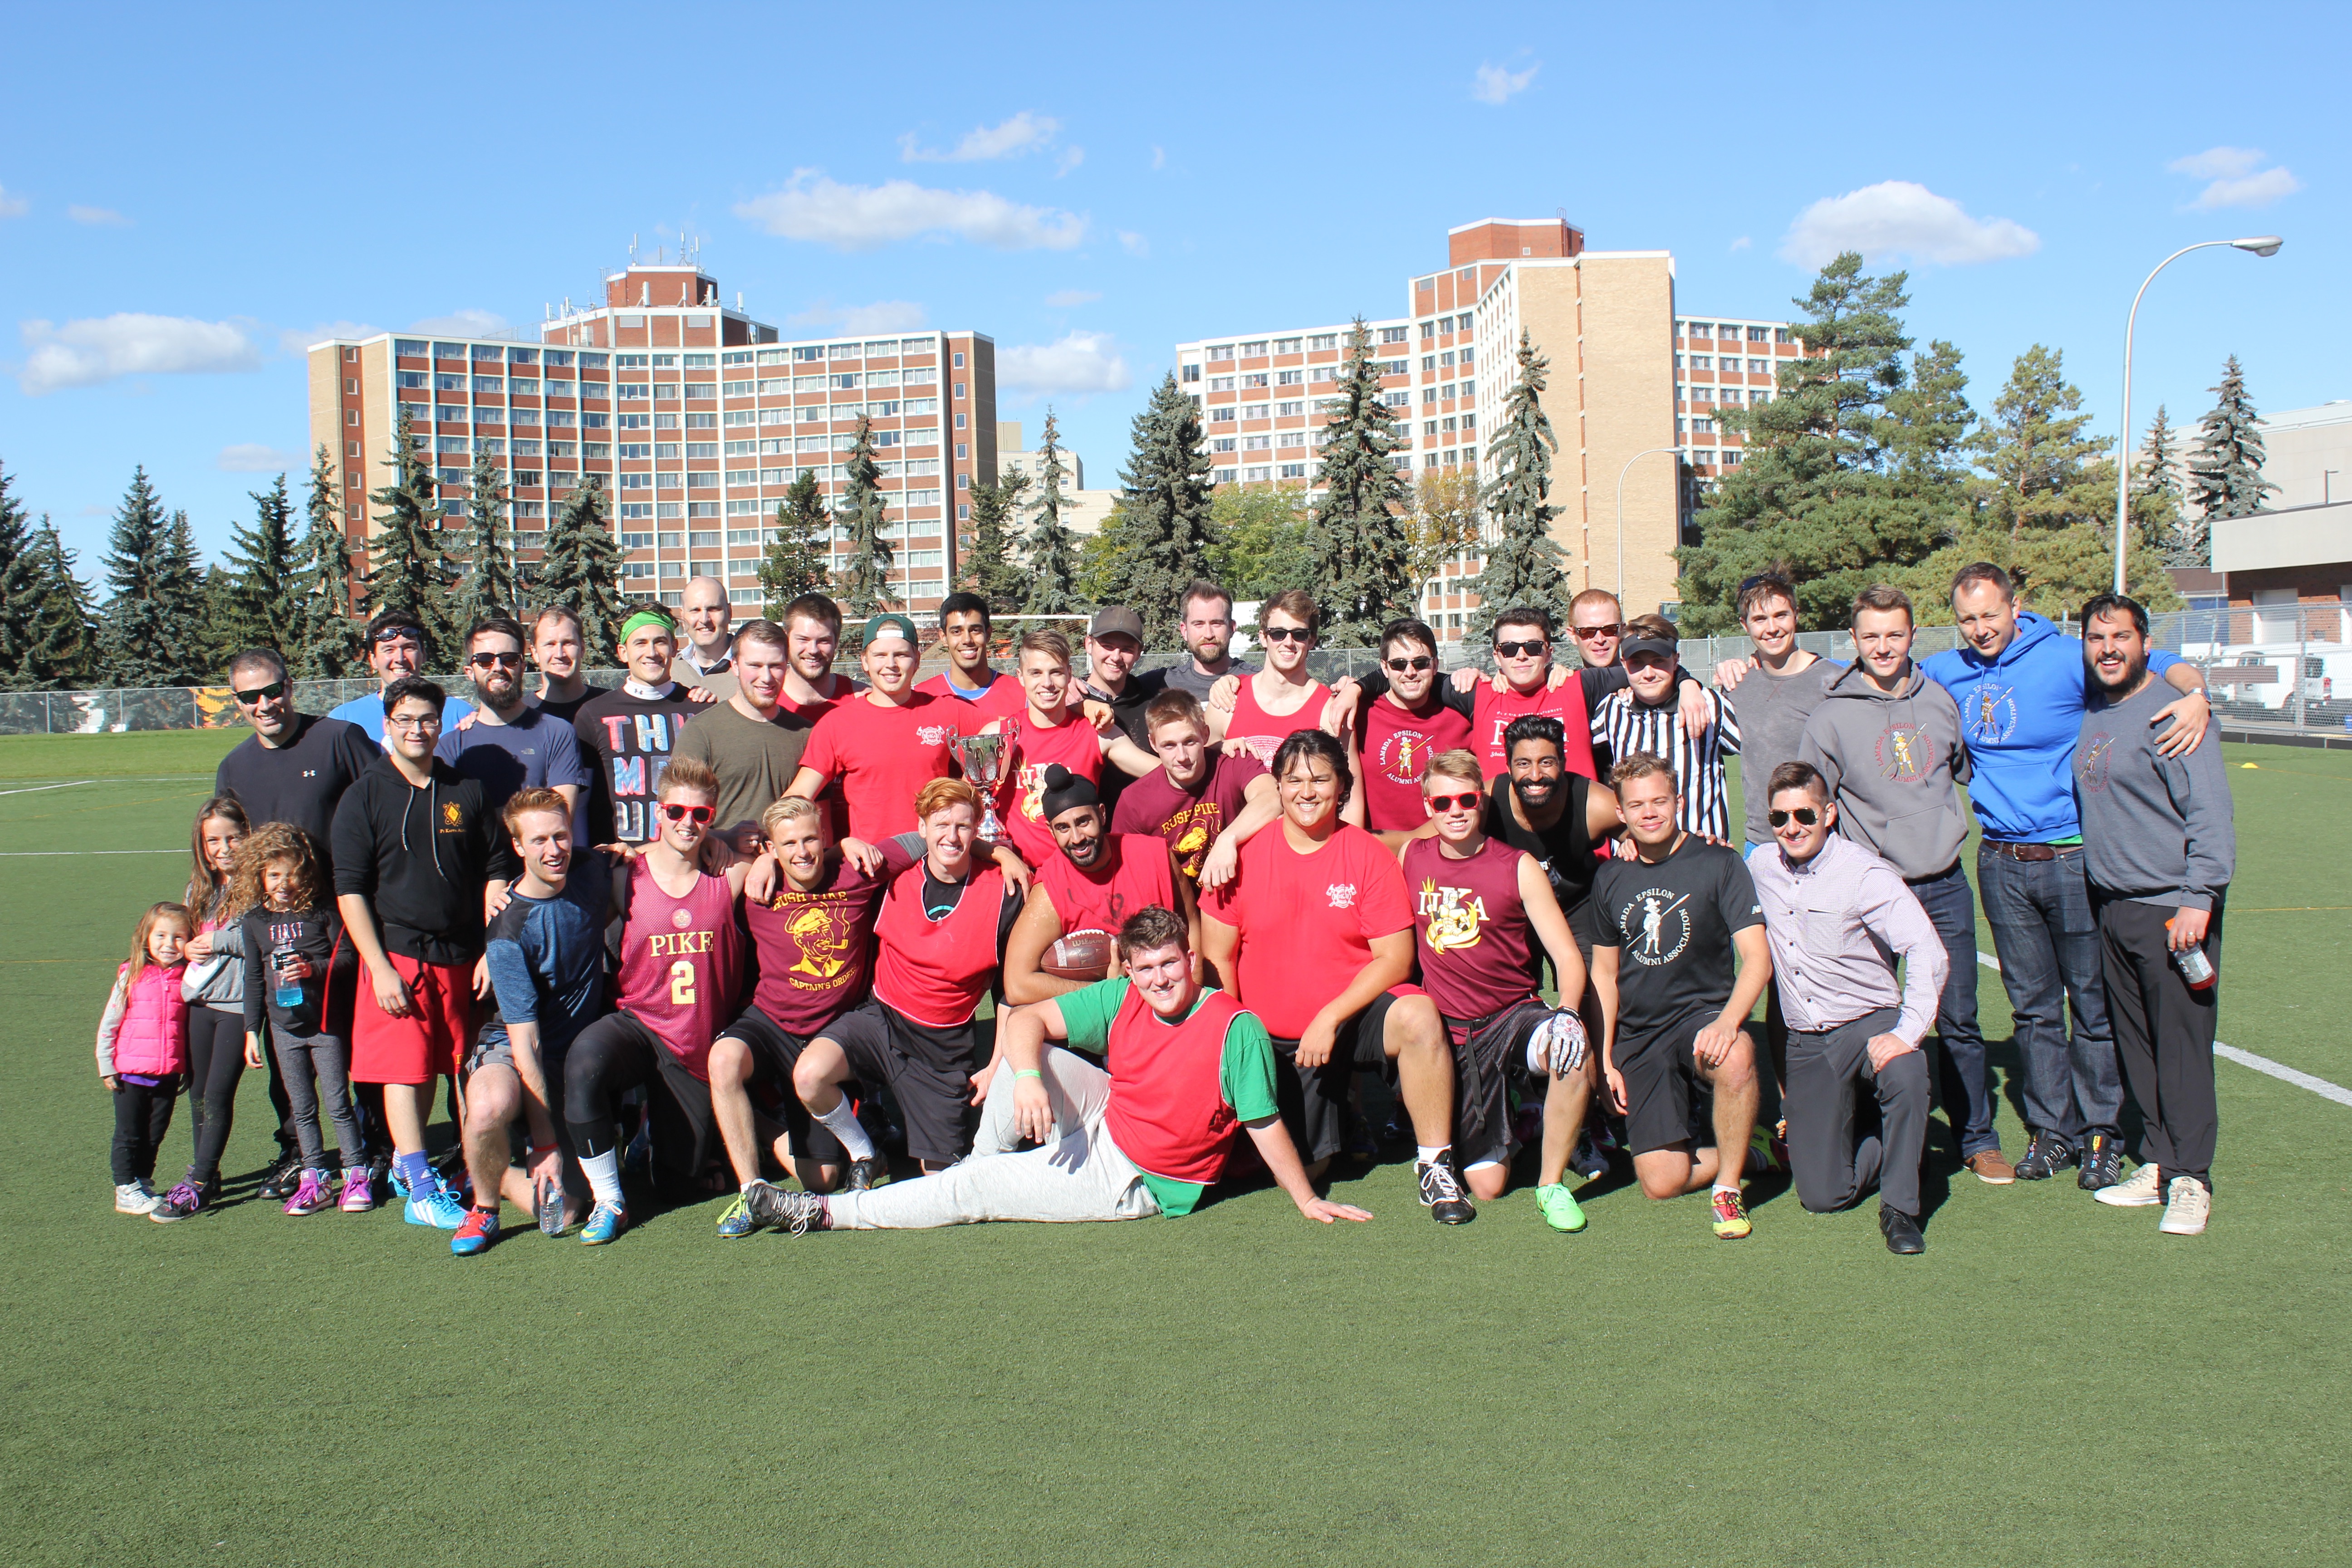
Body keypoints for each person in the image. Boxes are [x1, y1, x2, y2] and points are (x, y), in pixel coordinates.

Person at [746, 906, 1372, 1235]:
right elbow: (1021, 1017)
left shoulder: (1235, 1029)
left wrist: (1307, 1199)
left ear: (1191, 959)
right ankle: (978, 1169)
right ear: (1128, 969)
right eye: (1145, 968)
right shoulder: (1126, 996)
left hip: (1137, 1176)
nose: (1160, 980)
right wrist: (1023, 1078)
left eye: (1171, 965)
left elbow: (1263, 1124)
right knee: (1033, 1056)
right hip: (1110, 1113)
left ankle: (823, 1214)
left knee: (975, 1192)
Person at [1928, 561, 2211, 1190]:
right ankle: (2052, 1132)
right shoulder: (1947, 670)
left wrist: (2197, 692)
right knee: (2031, 1011)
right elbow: (1872, 675)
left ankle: (2102, 1134)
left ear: (2016, 606)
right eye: (1968, 619)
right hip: (2001, 862)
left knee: (2093, 1006)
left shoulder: (2063, 656)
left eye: (1991, 616)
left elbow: (2155, 658)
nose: (1980, 630)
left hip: (2074, 858)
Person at [1198, 730, 1473, 1224]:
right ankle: (1345, 1113)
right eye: (1294, 780)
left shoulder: (1366, 853)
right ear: (1277, 788)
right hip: (1276, 1039)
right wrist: (1238, 1041)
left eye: (1321, 779)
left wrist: (1330, 1015)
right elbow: (1218, 960)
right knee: (1305, 1167)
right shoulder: (1240, 857)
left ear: (1341, 786)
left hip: (1346, 1020)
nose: (1307, 791)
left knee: (1418, 1014)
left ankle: (1436, 1163)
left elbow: (1395, 959)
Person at [1798, 585, 2009, 1184]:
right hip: (1874, 894)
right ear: (1855, 640)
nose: (1884, 646)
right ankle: (1876, 1136)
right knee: (1872, 1019)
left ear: (1912, 636)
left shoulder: (1941, 700)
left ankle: (1977, 1137)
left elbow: (1961, 772)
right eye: (1871, 636)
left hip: (1943, 885)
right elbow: (1814, 805)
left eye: (1895, 634)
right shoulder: (1832, 715)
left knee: (1960, 1015)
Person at [332, 676, 519, 1231]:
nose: (417, 730)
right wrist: (379, 967)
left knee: (461, 1070)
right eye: (406, 720)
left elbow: (497, 871)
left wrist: (490, 936)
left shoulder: (467, 790)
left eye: (428, 720)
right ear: (387, 726)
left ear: (443, 725)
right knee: (405, 1072)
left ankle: (467, 1169)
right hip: (398, 957)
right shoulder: (364, 794)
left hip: (462, 956)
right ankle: (417, 1185)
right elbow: (350, 889)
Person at [2075, 594, 2235, 1237]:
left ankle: (2193, 1177)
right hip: (2114, 909)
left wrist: (2200, 896)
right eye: (2096, 637)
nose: (2108, 648)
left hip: (2173, 909)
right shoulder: (2095, 710)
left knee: (2183, 1049)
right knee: (2137, 1047)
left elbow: (2211, 814)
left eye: (2120, 637)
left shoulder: (2174, 712)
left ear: (2145, 643)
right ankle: (2162, 1164)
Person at [1747, 763, 1943, 1255]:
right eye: (1779, 818)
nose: (1792, 827)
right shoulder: (1761, 866)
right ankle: (1897, 1138)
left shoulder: (1863, 873)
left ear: (1829, 813)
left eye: (1805, 814)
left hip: (1868, 1022)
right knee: (1822, 1196)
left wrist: (1907, 1031)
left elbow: (1927, 950)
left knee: (1906, 1070)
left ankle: (1900, 1208)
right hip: (1808, 1042)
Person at [1400, 750, 1595, 1230]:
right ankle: (1525, 1113)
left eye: (1467, 799)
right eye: (1443, 803)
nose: (1456, 811)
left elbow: (1568, 957)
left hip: (1513, 1016)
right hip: (1454, 1036)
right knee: (1488, 1186)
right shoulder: (1412, 856)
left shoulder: (1519, 865)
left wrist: (1568, 1010)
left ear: (1482, 802)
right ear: (1428, 807)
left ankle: (1551, 1184)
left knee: (1573, 1050)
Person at [562, 758, 750, 1245]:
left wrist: (728, 842)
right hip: (639, 1026)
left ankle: (648, 1133)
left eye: (701, 815)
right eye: (675, 811)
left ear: (713, 816)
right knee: (584, 1061)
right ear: (657, 814)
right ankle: (609, 1198)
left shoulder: (729, 876)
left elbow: (771, 850)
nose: (687, 823)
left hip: (694, 1048)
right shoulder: (625, 875)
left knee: (678, 1187)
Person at [794, 779, 1022, 1176]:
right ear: (921, 828)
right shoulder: (891, 876)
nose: (951, 836)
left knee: (941, 1180)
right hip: (879, 1020)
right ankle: (867, 1153)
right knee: (810, 1076)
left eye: (963, 826)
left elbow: (1010, 993)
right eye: (940, 824)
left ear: (977, 828)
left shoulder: (1003, 892)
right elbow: (813, 866)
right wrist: (836, 845)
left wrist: (996, 1063)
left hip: (942, 1048)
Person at [1589, 753, 1771, 1240]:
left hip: (1701, 1017)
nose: (1650, 813)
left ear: (1680, 803)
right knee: (1662, 1182)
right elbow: (1604, 975)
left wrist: (1729, 1022)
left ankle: (1728, 1187)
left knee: (1736, 1056)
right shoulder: (1610, 876)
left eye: (1660, 802)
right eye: (1637, 806)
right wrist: (1605, 1058)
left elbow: (1757, 958)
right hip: (1641, 1034)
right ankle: (1753, 1150)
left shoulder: (1720, 862)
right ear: (1621, 815)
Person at [709, 796, 908, 1235]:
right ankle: (753, 1192)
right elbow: (688, 849)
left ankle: (838, 1141)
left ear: (825, 838)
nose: (801, 852)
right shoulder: (756, 882)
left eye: (811, 840)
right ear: (772, 850)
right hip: (771, 1021)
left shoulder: (856, 870)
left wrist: (1001, 852)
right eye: (788, 844)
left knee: (822, 1179)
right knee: (722, 1061)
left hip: (833, 1030)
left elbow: (928, 841)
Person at [1701, 574, 1841, 1097]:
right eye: (1759, 619)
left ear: (1796, 616)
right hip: (1765, 848)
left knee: (1828, 970)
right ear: (1745, 627)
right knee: (1780, 979)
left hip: (1823, 845)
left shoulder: (1831, 678)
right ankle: (1789, 1101)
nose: (1772, 627)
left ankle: (1840, 1088)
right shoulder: (1739, 681)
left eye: (1780, 615)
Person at [455, 788, 609, 1253]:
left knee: (565, 1211)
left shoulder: (593, 868)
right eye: (538, 840)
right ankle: (486, 1200)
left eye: (560, 836)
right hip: (514, 1045)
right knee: (487, 1110)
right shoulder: (507, 930)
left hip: (573, 1053)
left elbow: (651, 856)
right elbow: (528, 1046)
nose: (553, 850)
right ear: (518, 846)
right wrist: (545, 1145)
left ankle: (500, 1164)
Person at [1335, 601, 1706, 784]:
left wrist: (1688, 682)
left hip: (1579, 850)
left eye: (1532, 646)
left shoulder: (1579, 684)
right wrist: (1356, 688)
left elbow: (1644, 668)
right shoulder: (1475, 693)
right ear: (1497, 655)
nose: (1522, 655)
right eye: (1511, 649)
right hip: (1505, 850)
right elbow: (1411, 673)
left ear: (1550, 650)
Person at [237, 823, 368, 1219]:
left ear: (306, 872)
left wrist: (312, 969)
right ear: (260, 875)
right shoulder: (255, 921)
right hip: (282, 1028)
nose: (283, 882)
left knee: (338, 1103)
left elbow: (347, 958)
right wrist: (249, 1031)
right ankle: (315, 1177)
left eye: (291, 873)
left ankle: (356, 1173)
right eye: (274, 874)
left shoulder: (321, 912)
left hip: (325, 1025)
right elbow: (254, 978)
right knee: (302, 1108)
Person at [1004, 764, 1192, 1004]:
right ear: (1051, 831)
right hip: (1097, 1011)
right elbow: (1017, 984)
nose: (1077, 838)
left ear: (1102, 815)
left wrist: (1191, 1002)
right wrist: (1106, 991)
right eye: (1063, 828)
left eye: (1084, 822)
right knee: (1020, 1021)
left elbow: (1191, 928)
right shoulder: (1051, 887)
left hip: (1165, 991)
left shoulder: (1156, 857)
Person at [789, 612, 975, 844]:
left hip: (935, 856)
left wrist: (973, 789)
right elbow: (798, 798)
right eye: (880, 655)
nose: (891, 665)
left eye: (901, 655)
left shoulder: (947, 710)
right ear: (865, 661)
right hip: (873, 862)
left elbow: (1003, 731)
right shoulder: (837, 723)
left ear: (917, 659)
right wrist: (773, 851)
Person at [979, 629, 1156, 870]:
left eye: (1056, 672)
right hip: (1018, 875)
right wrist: (999, 855)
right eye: (1036, 673)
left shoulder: (1096, 732)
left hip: (1081, 873)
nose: (1048, 683)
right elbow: (967, 809)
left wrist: (1219, 756)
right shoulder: (997, 736)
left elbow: (1165, 773)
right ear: (1020, 677)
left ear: (1069, 674)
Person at [213, 647, 381, 874]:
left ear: (289, 687)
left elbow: (386, 810)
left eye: (273, 691)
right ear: (238, 701)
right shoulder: (233, 767)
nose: (265, 706)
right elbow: (228, 842)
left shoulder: (340, 739)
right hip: (272, 903)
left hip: (342, 897)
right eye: (251, 697)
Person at [178, 797, 270, 1206]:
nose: (223, 848)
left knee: (218, 1093)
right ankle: (208, 1171)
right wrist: (183, 950)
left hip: (237, 1007)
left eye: (232, 838)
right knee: (198, 1093)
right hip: (200, 1005)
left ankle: (197, 1182)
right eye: (213, 840)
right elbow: (182, 937)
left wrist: (218, 941)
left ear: (247, 838)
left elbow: (265, 942)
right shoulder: (199, 890)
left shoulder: (259, 887)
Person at [1108, 689, 1280, 890]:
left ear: (1205, 734)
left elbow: (1271, 797)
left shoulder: (1233, 764)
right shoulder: (1135, 800)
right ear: (1153, 743)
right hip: (1174, 901)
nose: (1182, 756)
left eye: (1190, 742)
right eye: (1169, 746)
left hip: (1234, 890)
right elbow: (1127, 873)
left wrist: (1228, 838)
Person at [435, 614, 593, 833]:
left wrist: (480, 817)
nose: (498, 667)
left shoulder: (557, 732)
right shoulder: (452, 746)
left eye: (509, 659)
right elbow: (449, 825)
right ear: (470, 672)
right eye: (485, 660)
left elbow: (559, 822)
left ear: (522, 666)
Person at [1589, 614, 1740, 840]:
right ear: (1623, 663)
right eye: (1637, 663)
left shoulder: (1709, 705)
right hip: (1635, 857)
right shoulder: (1612, 709)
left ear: (1676, 659)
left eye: (1659, 660)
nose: (1648, 674)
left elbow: (1761, 752)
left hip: (1701, 853)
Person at [674, 617, 813, 855]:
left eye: (776, 666)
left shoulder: (806, 733)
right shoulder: (701, 732)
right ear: (735, 666)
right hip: (721, 872)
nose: (767, 677)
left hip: (790, 877)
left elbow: (820, 820)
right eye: (755, 666)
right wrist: (724, 838)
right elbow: (677, 820)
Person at [572, 607, 703, 848]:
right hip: (619, 860)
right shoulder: (593, 714)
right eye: (640, 643)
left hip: (688, 857)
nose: (652, 652)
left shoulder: (700, 709)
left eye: (660, 642)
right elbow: (580, 803)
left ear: (675, 647)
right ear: (623, 652)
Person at [97, 903, 194, 1220]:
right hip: (131, 1073)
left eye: (179, 937)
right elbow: (111, 1021)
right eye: (162, 935)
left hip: (167, 1074)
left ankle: (142, 1181)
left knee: (155, 1133)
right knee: (129, 1133)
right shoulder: (133, 974)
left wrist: (186, 1065)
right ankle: (125, 1188)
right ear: (146, 938)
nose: (169, 944)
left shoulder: (188, 976)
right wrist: (106, 1063)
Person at [1343, 617, 1472, 841]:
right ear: (1385, 667)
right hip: (1378, 850)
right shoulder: (1359, 715)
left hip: (1444, 854)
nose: (1410, 672)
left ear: (1435, 665)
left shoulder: (1462, 717)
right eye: (1399, 664)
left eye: (1420, 663)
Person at [1212, 591, 1335, 763]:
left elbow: (1350, 785)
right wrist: (1218, 749)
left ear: (1311, 641)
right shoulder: (1227, 699)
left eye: (1299, 634)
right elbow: (1195, 767)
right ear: (1263, 638)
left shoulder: (1330, 711)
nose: (1289, 642)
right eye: (1278, 633)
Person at [1077, 605, 1168, 819]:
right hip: (1089, 840)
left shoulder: (1156, 703)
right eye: (1107, 646)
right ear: (1089, 644)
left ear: (1139, 653)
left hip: (1148, 831)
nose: (1116, 657)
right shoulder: (1071, 701)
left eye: (1127, 649)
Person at [328, 612, 472, 743]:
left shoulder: (459, 714)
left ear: (424, 655)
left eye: (410, 648)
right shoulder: (344, 719)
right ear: (373, 660)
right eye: (389, 650)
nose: (400, 658)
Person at [916, 592, 1032, 719]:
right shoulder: (922, 697)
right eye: (957, 632)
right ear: (944, 638)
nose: (967, 640)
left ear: (988, 634)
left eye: (975, 630)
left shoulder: (1023, 695)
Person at [1161, 580, 1256, 701]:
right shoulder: (1161, 683)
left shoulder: (1258, 681)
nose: (1208, 635)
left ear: (1232, 628)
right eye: (1199, 624)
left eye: (1216, 624)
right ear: (1184, 631)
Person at [526, 605, 609, 726]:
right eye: (550, 644)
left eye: (568, 643)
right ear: (535, 653)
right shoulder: (520, 714)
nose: (560, 654)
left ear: (582, 649)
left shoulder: (610, 706)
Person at [671, 575, 741, 700]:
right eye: (695, 610)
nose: (704, 620)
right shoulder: (670, 671)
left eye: (713, 609)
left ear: (729, 613)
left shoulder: (752, 668)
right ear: (683, 617)